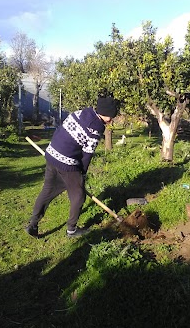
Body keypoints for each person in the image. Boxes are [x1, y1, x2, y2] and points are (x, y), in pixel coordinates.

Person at [25, 96, 119, 238]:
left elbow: (60, 130)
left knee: (48, 190)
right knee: (78, 196)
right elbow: (87, 155)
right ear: (103, 112)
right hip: (66, 162)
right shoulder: (96, 127)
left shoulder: (79, 113)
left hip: (52, 153)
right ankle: (72, 230)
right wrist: (82, 174)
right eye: (110, 117)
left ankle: (33, 224)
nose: (111, 120)